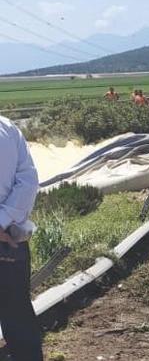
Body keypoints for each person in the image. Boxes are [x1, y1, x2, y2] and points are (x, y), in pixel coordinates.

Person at [0, 116, 43, 360]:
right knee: (17, 311)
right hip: (11, 240)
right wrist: (3, 219)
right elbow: (28, 181)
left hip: (8, 240)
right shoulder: (7, 127)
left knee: (17, 311)